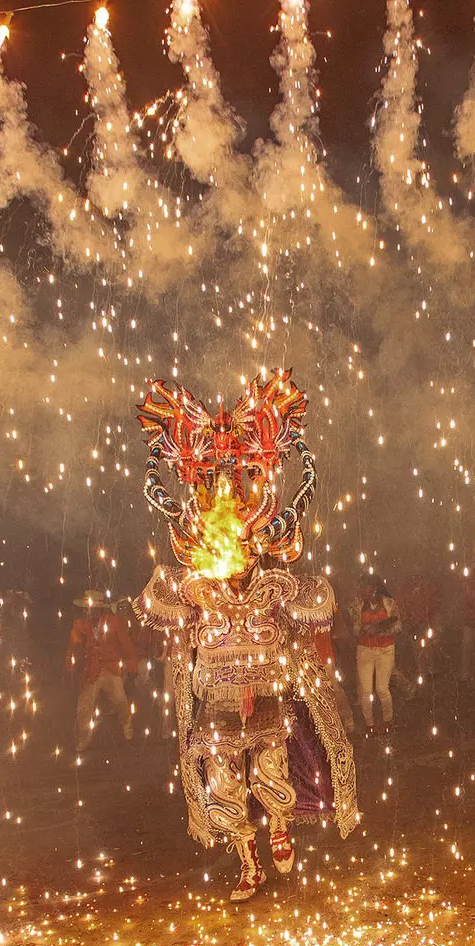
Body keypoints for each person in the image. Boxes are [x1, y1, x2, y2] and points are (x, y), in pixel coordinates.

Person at [134, 372, 359, 901]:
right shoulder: (194, 590)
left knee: (271, 768)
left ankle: (279, 827)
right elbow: (155, 606)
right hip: (215, 700)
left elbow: (319, 603)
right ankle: (246, 860)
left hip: (267, 695)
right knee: (225, 781)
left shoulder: (275, 584)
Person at [67, 591, 139, 751]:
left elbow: (127, 645)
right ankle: (82, 739)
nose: (89, 611)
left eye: (92, 608)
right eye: (87, 608)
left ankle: (127, 727)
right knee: (84, 707)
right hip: (92, 670)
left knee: (120, 700)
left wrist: (132, 666)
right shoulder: (80, 624)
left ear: (100, 609)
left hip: (111, 668)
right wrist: (70, 667)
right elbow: (73, 648)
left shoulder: (114, 622)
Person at [352, 574, 400, 735]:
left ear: (373, 588)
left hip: (385, 649)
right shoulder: (357, 605)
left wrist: (380, 629)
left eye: (363, 586)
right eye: (359, 586)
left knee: (382, 689)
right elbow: (355, 629)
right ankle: (369, 724)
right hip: (365, 650)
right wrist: (362, 630)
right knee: (366, 692)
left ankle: (388, 720)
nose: (360, 590)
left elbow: (398, 626)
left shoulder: (389, 603)